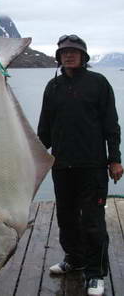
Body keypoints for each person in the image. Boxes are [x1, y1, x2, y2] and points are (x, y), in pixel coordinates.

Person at [37, 34, 123, 296]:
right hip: (62, 166)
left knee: (93, 222)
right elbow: (44, 129)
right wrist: (34, 158)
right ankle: (73, 259)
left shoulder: (99, 83)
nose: (69, 55)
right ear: (58, 57)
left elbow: (111, 125)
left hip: (93, 166)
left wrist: (115, 159)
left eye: (74, 51)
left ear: (84, 56)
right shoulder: (52, 87)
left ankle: (95, 273)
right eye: (64, 52)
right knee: (66, 217)